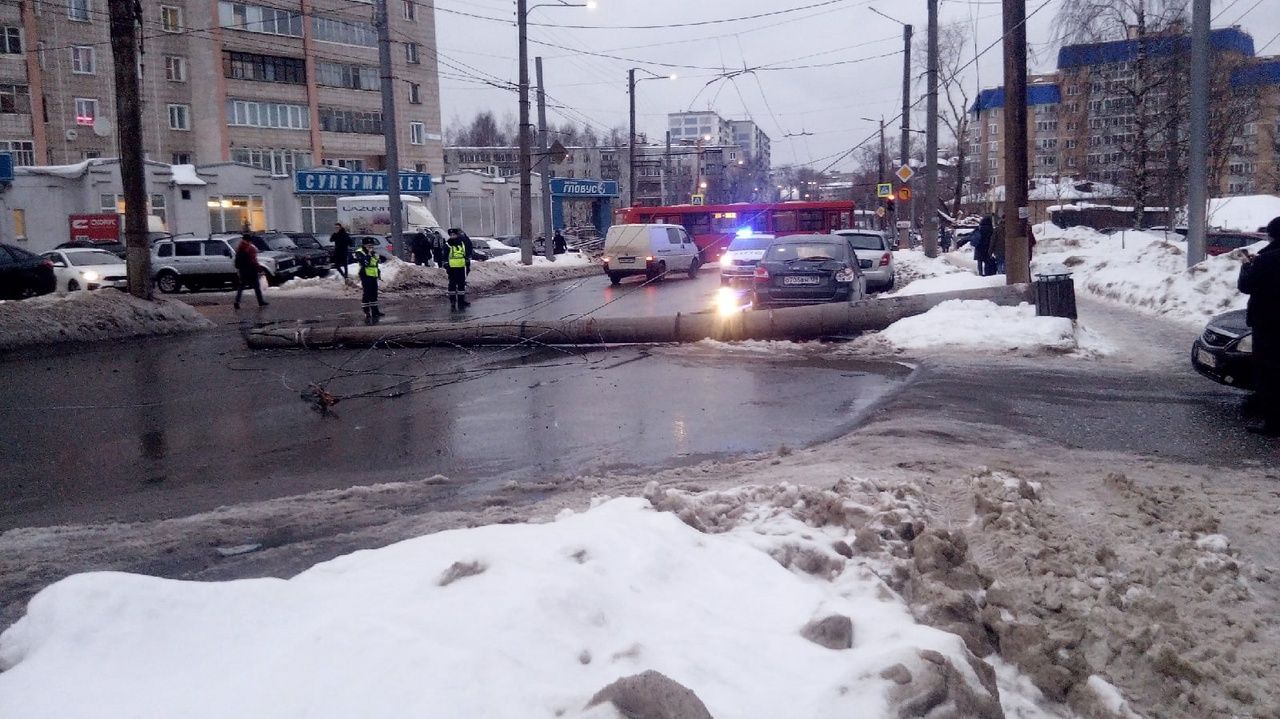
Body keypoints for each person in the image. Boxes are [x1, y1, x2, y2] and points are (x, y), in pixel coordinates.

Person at [1238, 216, 1280, 436]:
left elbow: (1246, 286)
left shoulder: (1266, 260)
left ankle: (1273, 423)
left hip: (1268, 324)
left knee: (1269, 373)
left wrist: (1246, 266)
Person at [233, 234, 268, 309]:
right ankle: (260, 301)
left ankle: (237, 301)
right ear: (249, 240)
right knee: (257, 287)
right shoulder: (250, 248)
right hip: (251, 270)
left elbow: (237, 261)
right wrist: (260, 269)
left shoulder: (238, 248)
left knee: (241, 287)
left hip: (243, 271)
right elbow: (253, 261)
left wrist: (239, 269)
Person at [355, 236, 383, 320]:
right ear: (364, 245)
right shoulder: (360, 252)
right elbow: (365, 263)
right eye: (369, 245)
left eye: (372, 245)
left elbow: (376, 263)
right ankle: (366, 311)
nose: (371, 247)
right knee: (367, 293)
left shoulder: (374, 252)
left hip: (373, 274)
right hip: (365, 274)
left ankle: (375, 311)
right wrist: (369, 254)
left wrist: (378, 273)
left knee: (374, 293)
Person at [446, 228, 472, 309]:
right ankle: (453, 302)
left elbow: (465, 253)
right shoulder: (448, 244)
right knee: (452, 285)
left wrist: (467, 262)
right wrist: (446, 264)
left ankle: (461, 301)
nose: (452, 236)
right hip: (451, 268)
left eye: (454, 235)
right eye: (451, 235)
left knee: (461, 285)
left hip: (461, 267)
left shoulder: (462, 243)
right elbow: (445, 255)